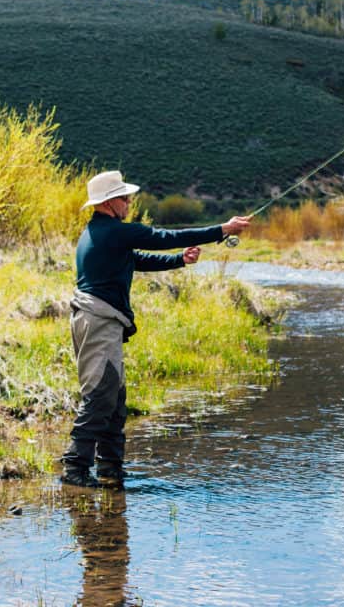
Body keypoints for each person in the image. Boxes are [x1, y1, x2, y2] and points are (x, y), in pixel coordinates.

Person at [60, 170, 251, 488]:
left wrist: (179, 260)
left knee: (114, 400)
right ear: (110, 202)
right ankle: (74, 469)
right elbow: (164, 237)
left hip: (99, 321)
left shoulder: (102, 232)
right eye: (125, 198)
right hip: (98, 323)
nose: (129, 202)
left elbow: (135, 260)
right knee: (99, 396)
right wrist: (222, 229)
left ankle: (110, 469)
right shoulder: (111, 231)